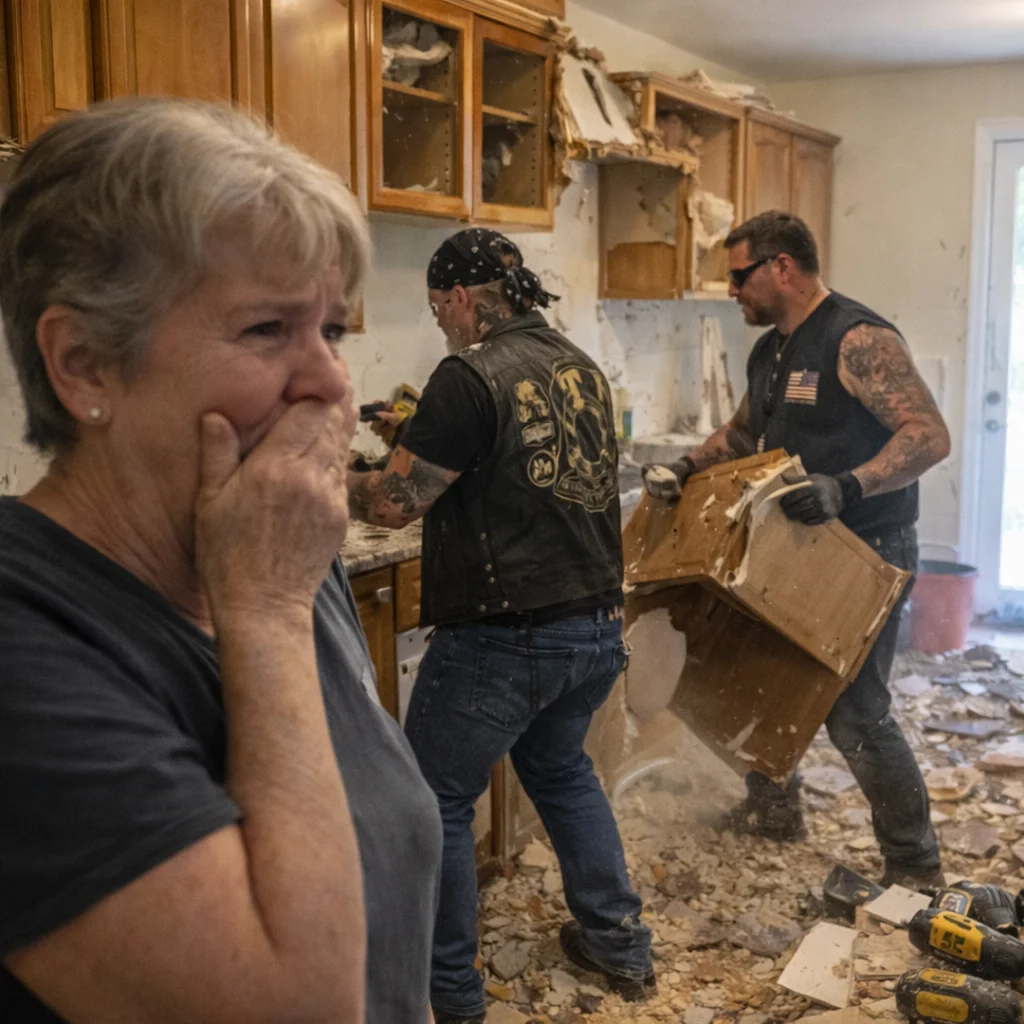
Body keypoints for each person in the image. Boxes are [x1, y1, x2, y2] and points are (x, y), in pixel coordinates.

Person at [0, 97, 443, 1024]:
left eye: (334, 331)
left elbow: (380, 907)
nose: (330, 382)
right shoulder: (31, 636)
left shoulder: (267, 539)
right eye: (267, 331)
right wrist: (269, 611)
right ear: (82, 363)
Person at [348, 228, 653, 1023]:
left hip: (505, 636)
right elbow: (521, 459)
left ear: (458, 298)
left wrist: (343, 479)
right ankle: (619, 943)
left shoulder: (468, 373)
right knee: (560, 770)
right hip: (592, 628)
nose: (440, 323)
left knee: (436, 796)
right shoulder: (577, 363)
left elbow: (392, 504)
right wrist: (411, 434)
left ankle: (449, 992)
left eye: (437, 307)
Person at [643, 211, 951, 891]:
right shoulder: (769, 352)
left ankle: (915, 863)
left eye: (739, 275)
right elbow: (745, 430)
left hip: (867, 548)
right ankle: (774, 809)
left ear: (781, 266)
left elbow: (929, 435)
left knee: (855, 712)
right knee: (752, 672)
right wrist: (687, 467)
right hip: (796, 545)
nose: (732, 291)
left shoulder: (856, 338)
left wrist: (851, 485)